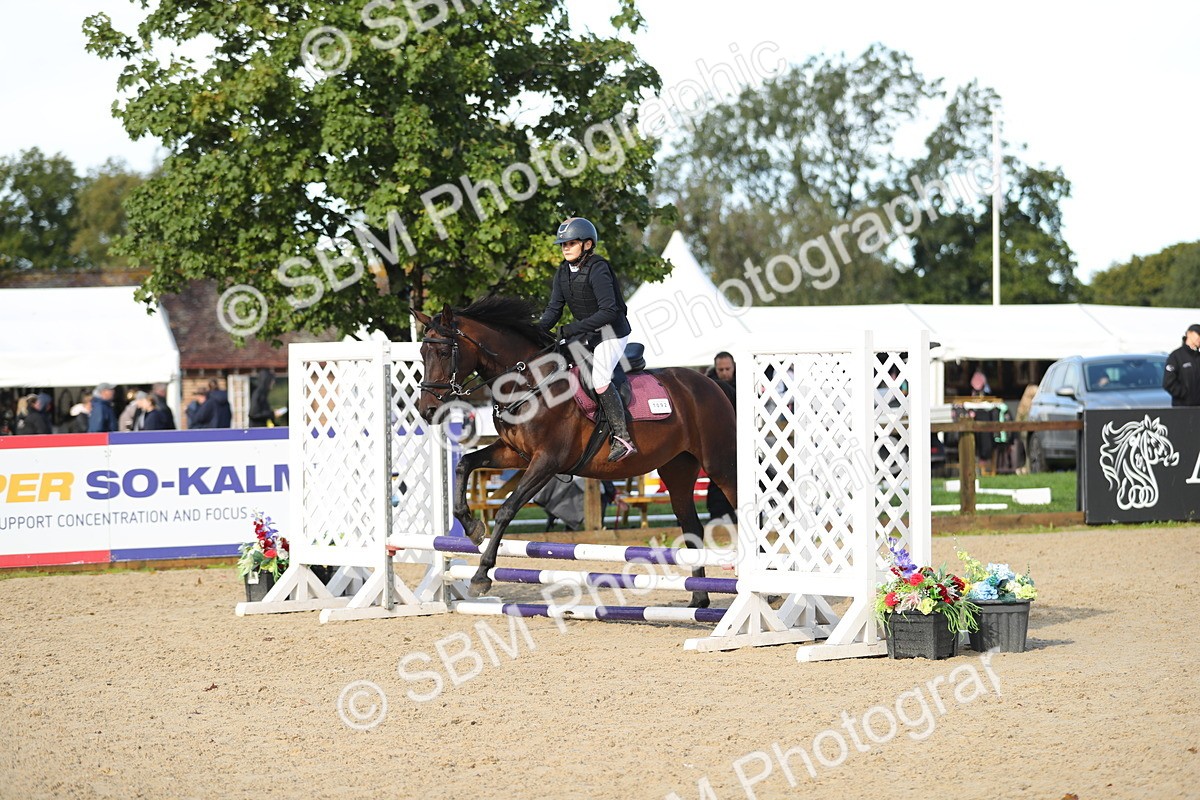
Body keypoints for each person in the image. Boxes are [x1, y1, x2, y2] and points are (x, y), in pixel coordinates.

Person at [536, 216, 636, 461]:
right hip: (588, 334)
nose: (565, 248)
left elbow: (609, 311)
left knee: (600, 378)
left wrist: (572, 330)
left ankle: (622, 438)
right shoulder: (562, 272)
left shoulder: (598, 268)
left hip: (612, 333)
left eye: (570, 243)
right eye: (563, 244)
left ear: (587, 245)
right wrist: (535, 330)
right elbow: (553, 310)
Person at [1163, 323, 1200, 407]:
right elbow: (1168, 383)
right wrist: (1185, 395)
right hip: (1182, 408)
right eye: (1198, 334)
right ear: (1189, 334)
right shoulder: (1176, 356)